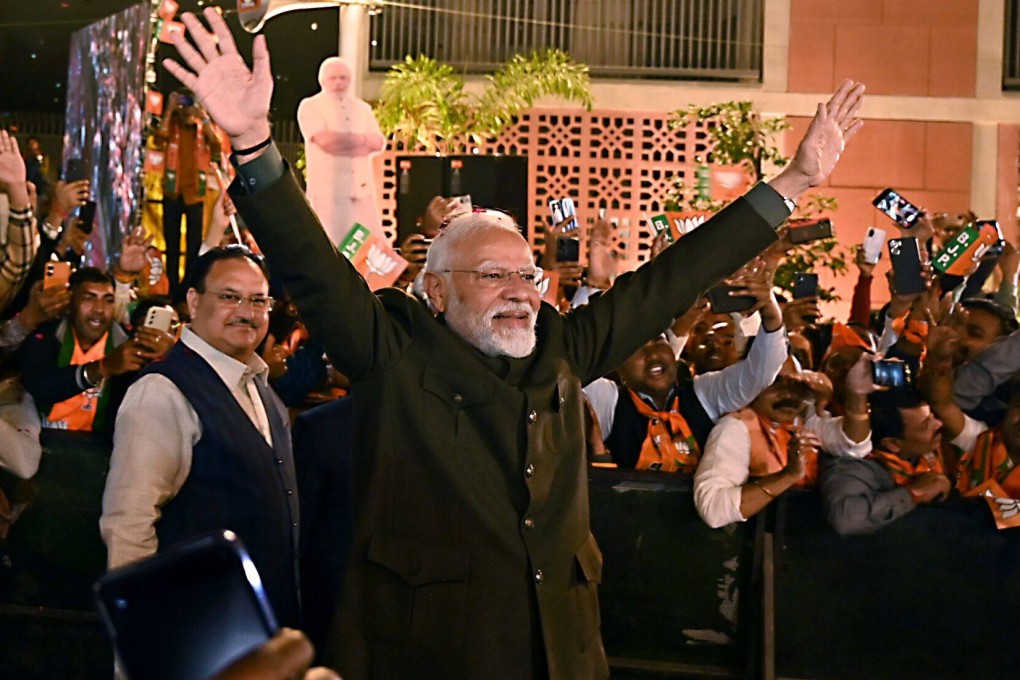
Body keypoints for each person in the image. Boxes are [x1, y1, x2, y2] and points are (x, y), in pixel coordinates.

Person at [163, 9, 863, 677]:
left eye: (527, 275)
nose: (521, 291)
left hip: (559, 655)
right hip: (432, 657)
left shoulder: (561, 346)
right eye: (494, 275)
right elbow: (311, 268)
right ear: (436, 292)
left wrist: (792, 184)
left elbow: (671, 281)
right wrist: (254, 146)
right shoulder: (395, 351)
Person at [100, 247, 301, 628]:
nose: (246, 311)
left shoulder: (261, 387)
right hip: (197, 632)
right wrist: (141, 645)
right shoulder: (162, 390)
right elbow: (129, 525)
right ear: (193, 301)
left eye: (259, 300)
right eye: (229, 296)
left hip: (262, 631)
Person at [583, 261, 788, 472]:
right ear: (617, 368)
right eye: (635, 349)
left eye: (658, 341)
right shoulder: (607, 403)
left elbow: (759, 375)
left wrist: (771, 313)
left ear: (673, 351)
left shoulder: (703, 395)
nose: (652, 354)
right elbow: (571, 367)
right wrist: (594, 284)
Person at [19, 267, 159, 433]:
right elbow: (40, 386)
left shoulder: (124, 343)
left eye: (108, 300)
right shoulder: (46, 336)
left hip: (99, 447)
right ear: (70, 303)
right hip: (45, 440)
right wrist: (102, 368)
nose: (99, 309)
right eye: (89, 298)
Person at [820, 389, 951, 536]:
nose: (939, 424)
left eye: (932, 416)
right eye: (926, 425)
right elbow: (846, 519)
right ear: (892, 444)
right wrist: (914, 493)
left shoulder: (928, 450)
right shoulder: (855, 466)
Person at [297, 57, 386, 244]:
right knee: (333, 246)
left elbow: (377, 142)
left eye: (343, 78)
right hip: (328, 194)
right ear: (322, 80)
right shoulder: (310, 106)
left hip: (361, 191)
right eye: (333, 78)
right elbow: (325, 141)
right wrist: (361, 141)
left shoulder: (362, 109)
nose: (338, 82)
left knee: (372, 248)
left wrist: (344, 141)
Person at [152, 90, 223, 295]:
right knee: (171, 245)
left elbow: (217, 145)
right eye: (182, 103)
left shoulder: (202, 128)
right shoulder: (171, 125)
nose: (185, 108)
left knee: (194, 247)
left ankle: (189, 288)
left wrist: (204, 117)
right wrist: (169, 110)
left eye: (188, 103)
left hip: (196, 194)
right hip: (172, 192)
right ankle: (173, 289)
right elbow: (159, 139)